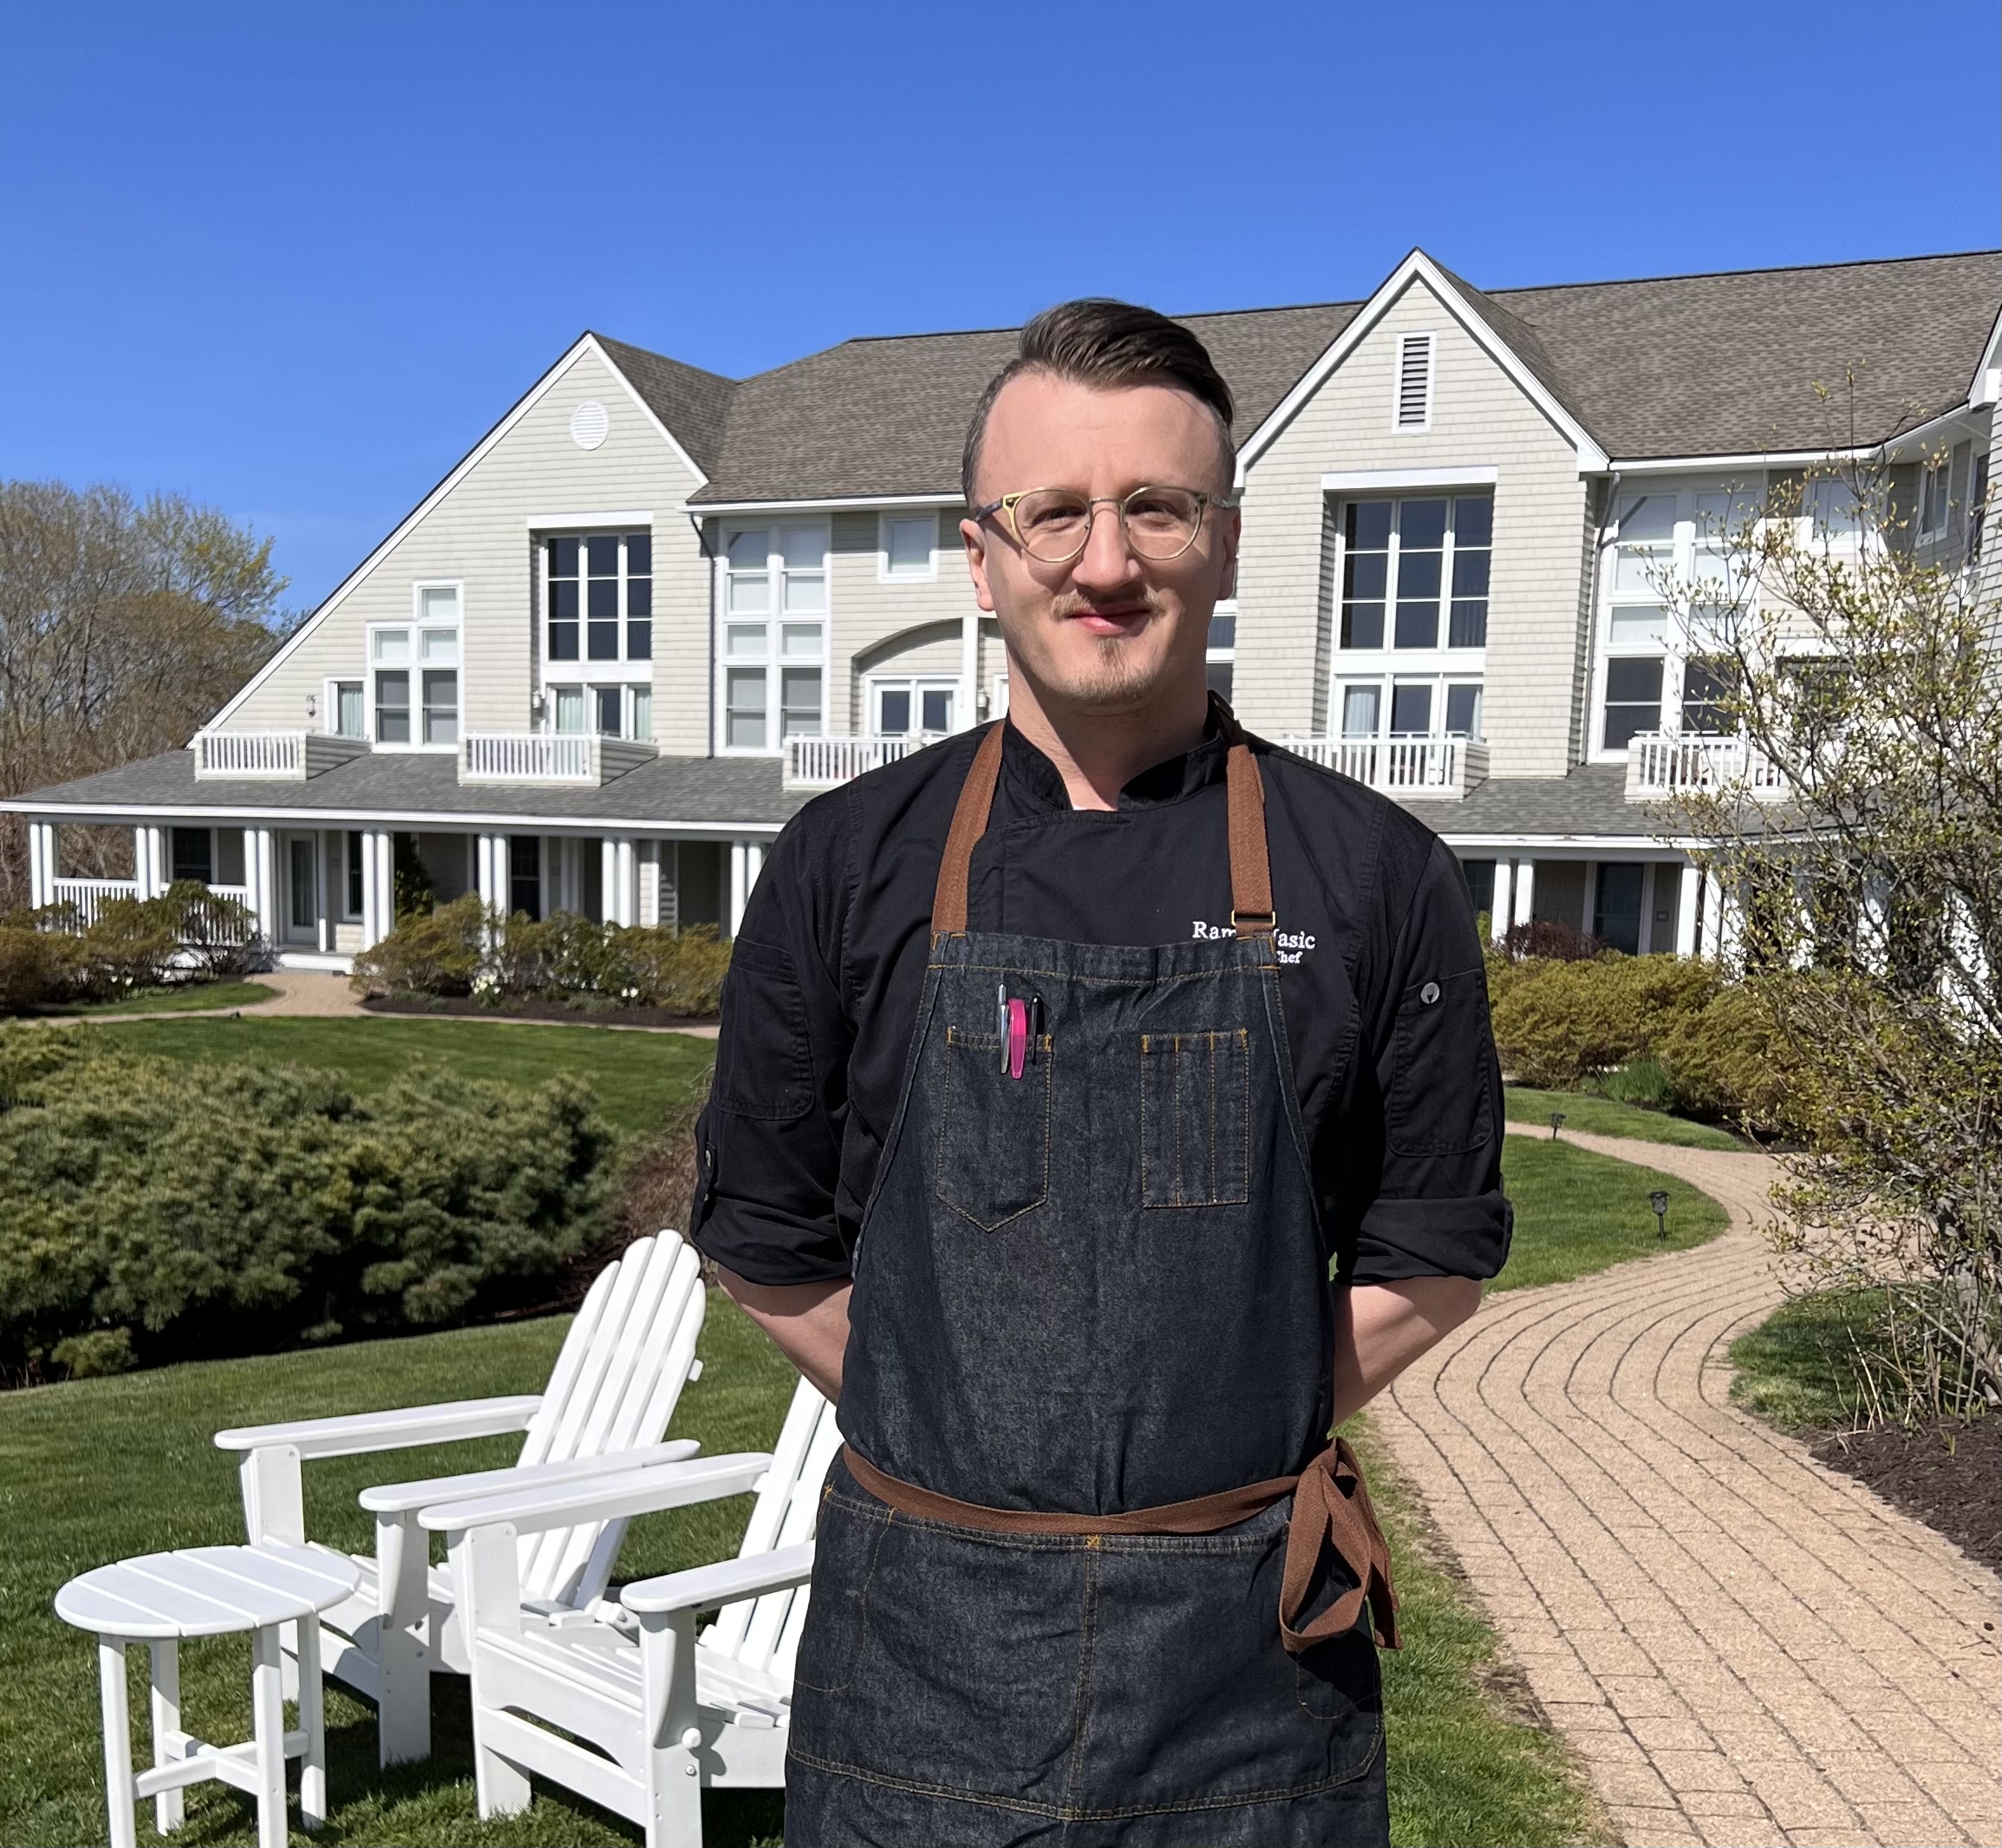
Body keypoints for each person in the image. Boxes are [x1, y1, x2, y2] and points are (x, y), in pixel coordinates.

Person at [692, 299, 1510, 1847]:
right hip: (922, 1644)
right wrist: (971, 1441)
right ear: (981, 554)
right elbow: (766, 1245)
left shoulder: (1375, 873)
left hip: (1247, 1652)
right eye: (1051, 511)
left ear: (1227, 542)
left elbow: (1433, 1253)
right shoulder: (844, 863)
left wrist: (1218, 1434)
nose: (1105, 560)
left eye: (1156, 507)